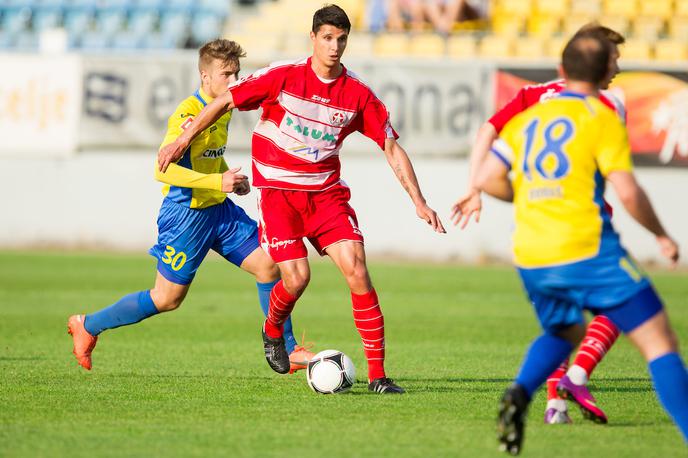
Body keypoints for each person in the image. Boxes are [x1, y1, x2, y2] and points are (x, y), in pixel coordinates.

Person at [158, 5, 445, 394]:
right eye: (328, 38)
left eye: (342, 39)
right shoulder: (284, 75)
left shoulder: (357, 94)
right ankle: (272, 328)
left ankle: (379, 377)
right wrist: (181, 139)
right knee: (297, 277)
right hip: (279, 194)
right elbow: (225, 101)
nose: (335, 46)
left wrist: (419, 201)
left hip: (326, 195)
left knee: (358, 271)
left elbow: (391, 147)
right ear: (313, 38)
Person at [475, 32, 687, 454]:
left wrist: (535, 195)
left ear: (562, 71)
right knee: (659, 340)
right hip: (586, 246)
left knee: (566, 328)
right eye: (616, 62)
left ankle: (519, 393)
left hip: (532, 252)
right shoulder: (602, 115)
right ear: (608, 70)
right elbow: (627, 192)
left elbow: (487, 178)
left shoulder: (527, 119)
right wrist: (661, 234)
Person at [67, 39, 315, 374]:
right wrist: (217, 182)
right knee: (167, 299)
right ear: (205, 76)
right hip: (186, 215)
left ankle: (286, 349)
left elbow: (206, 157)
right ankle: (88, 325)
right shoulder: (187, 115)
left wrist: (226, 175)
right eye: (226, 74)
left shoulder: (225, 108)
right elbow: (161, 168)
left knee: (270, 265)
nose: (234, 81)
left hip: (219, 211)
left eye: (237, 73)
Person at [452, 24, 627, 425]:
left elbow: (486, 130)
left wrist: (474, 186)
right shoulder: (608, 105)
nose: (616, 66)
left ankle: (554, 404)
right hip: (587, 224)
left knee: (562, 323)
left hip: (536, 232)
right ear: (597, 61)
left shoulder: (532, 97)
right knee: (624, 306)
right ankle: (577, 377)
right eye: (612, 58)